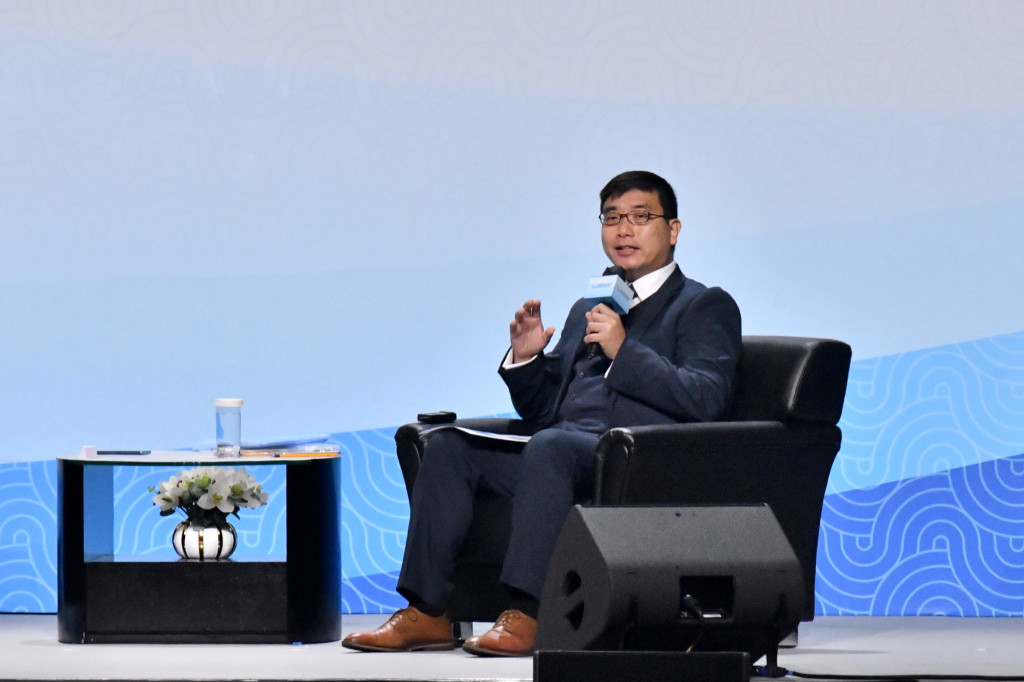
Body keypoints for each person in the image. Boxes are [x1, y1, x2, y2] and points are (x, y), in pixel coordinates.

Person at [342, 170, 742, 656]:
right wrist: (528, 360)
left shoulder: (702, 305)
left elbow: (707, 398)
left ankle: (529, 613)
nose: (624, 230)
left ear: (673, 229)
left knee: (550, 446)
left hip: (637, 462)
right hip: (561, 454)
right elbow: (543, 410)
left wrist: (625, 351)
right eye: (612, 218)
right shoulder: (589, 306)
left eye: (640, 217)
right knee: (447, 446)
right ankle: (427, 612)